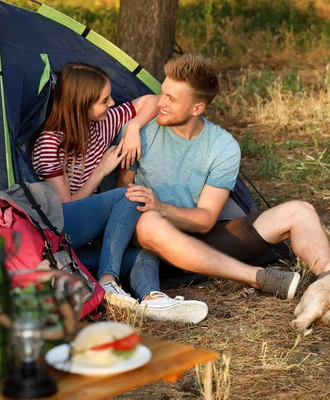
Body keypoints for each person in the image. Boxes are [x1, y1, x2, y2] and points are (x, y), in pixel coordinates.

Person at [118, 54, 330, 300]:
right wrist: (133, 128)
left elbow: (206, 220)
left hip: (201, 236)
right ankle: (258, 277)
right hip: (154, 242)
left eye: (171, 99)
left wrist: (162, 206)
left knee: (301, 210)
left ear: (197, 108)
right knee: (148, 221)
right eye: (163, 92)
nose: (160, 102)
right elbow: (120, 199)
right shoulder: (142, 133)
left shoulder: (222, 146)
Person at [31, 62, 207, 323]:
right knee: (130, 194)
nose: (112, 103)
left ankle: (153, 299)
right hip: (59, 233)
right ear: (82, 104)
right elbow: (65, 208)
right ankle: (108, 280)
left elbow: (152, 100)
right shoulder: (50, 143)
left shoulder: (101, 124)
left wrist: (134, 127)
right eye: (104, 100)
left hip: (75, 252)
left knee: (142, 253)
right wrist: (100, 172)